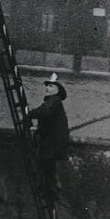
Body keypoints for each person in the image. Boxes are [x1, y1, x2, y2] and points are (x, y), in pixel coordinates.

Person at [27, 73, 70, 205]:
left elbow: (44, 112)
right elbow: (48, 121)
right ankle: (51, 194)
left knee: (45, 164)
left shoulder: (54, 101)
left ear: (57, 89)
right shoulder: (54, 102)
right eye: (47, 86)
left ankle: (50, 193)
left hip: (53, 142)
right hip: (55, 142)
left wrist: (28, 114)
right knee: (48, 167)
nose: (47, 88)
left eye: (50, 86)